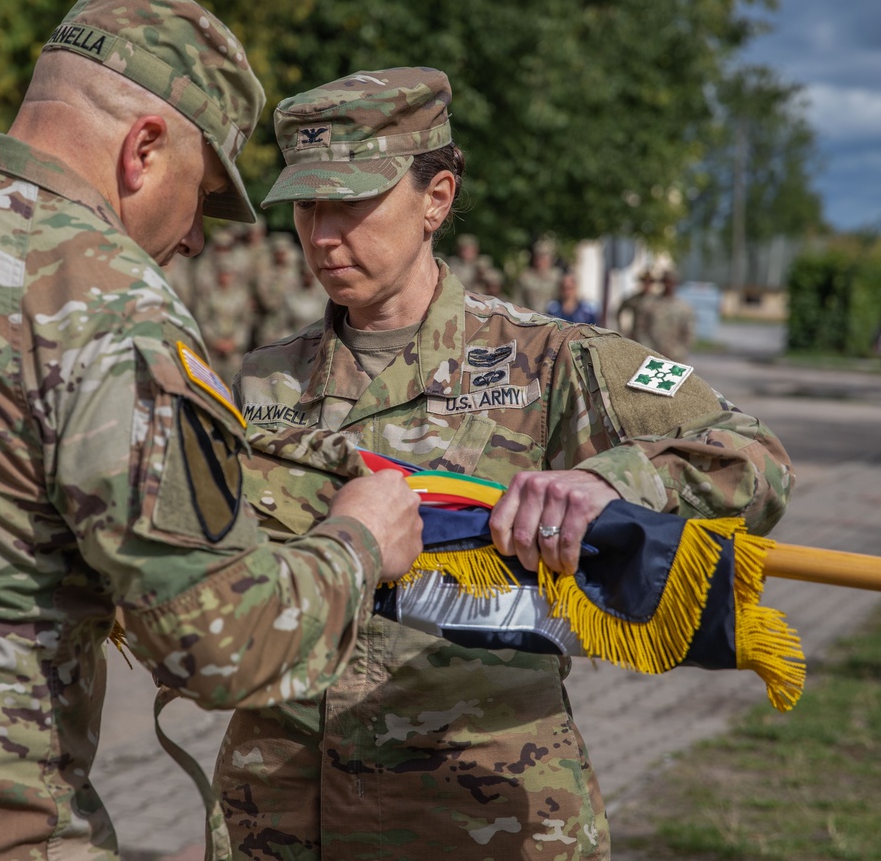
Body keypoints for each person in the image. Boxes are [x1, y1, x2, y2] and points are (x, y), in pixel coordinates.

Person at [0, 0, 424, 861]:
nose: (197, 240)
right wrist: (359, 543)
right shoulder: (103, 297)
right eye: (205, 194)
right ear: (143, 149)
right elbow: (219, 646)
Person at [215, 67, 794, 860]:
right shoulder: (255, 381)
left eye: (351, 204)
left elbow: (754, 460)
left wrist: (607, 481)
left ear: (437, 198)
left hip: (480, 813)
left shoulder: (551, 361)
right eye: (307, 206)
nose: (321, 235)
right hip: (278, 813)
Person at [638, 269, 696, 361]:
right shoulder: (650, 303)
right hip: (651, 354)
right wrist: (648, 348)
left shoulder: (684, 308)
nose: (669, 285)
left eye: (671, 283)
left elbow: (688, 334)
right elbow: (641, 329)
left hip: (675, 356)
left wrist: (678, 352)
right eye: (666, 282)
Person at [515, 235, 562, 311]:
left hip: (554, 319)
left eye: (544, 257)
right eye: (538, 257)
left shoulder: (558, 276)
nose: (541, 260)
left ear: (551, 258)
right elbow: (517, 300)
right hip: (529, 318)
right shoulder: (525, 276)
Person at [615, 268, 655, 342]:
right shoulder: (635, 299)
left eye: (649, 282)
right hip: (637, 337)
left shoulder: (657, 300)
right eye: (645, 282)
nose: (647, 285)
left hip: (653, 338)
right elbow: (620, 309)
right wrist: (622, 330)